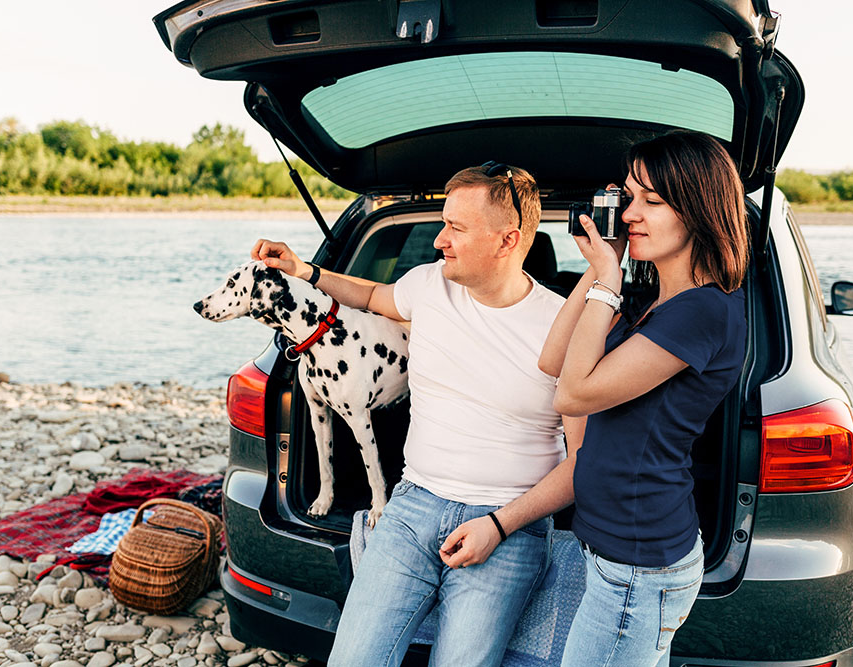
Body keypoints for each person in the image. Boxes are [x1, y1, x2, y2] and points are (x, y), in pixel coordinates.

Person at [251, 163, 584, 667]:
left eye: (456, 227)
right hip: (412, 509)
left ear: (507, 240)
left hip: (509, 528)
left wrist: (497, 525)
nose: (438, 241)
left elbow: (582, 463)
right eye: (442, 223)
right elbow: (368, 296)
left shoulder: (563, 324)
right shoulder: (427, 285)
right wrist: (305, 271)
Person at [440, 130, 748, 666]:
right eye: (629, 198)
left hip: (640, 563)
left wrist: (610, 278)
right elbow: (554, 359)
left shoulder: (704, 311)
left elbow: (574, 393)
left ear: (698, 209)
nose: (631, 213)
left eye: (652, 201)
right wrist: (601, 269)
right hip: (615, 553)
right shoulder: (653, 304)